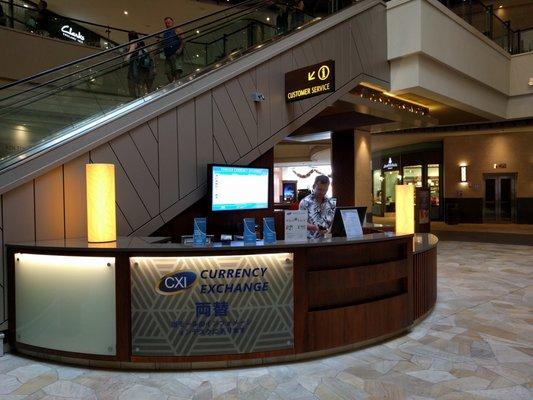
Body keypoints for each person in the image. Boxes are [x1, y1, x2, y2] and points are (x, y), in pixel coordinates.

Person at [125, 31, 154, 98]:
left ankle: (138, 97)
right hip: (143, 64)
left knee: (133, 80)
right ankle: (143, 96)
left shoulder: (133, 41)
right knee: (141, 81)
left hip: (135, 63)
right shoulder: (141, 42)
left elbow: (132, 49)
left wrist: (127, 57)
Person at [162, 16, 184, 83]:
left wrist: (180, 49)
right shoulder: (165, 33)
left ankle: (177, 85)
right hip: (168, 55)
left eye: (169, 22)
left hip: (176, 54)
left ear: (172, 22)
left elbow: (183, 40)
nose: (167, 24)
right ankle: (172, 85)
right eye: (166, 23)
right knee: (168, 72)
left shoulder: (176, 30)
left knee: (176, 70)